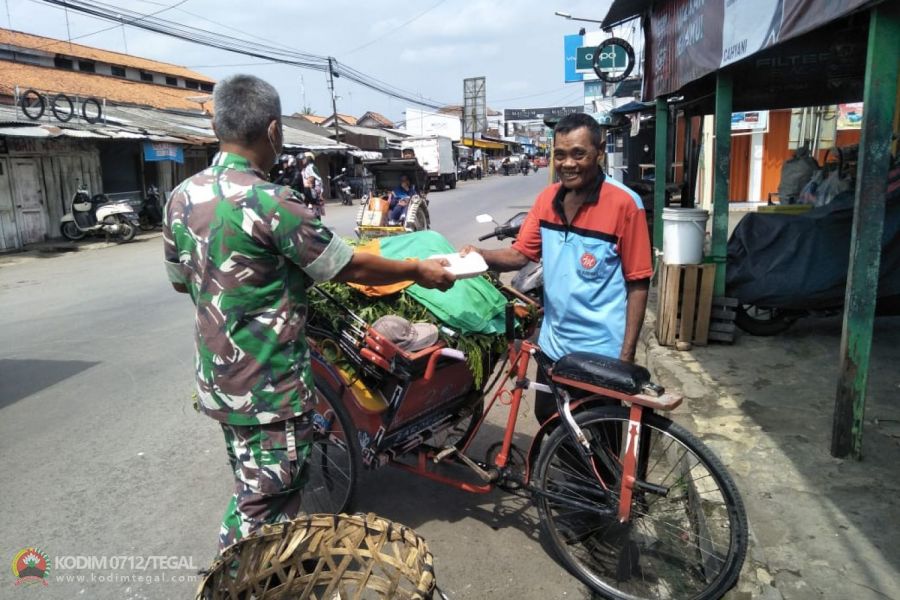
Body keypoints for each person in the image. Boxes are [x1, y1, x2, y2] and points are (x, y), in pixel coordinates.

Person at [162, 74, 455, 554]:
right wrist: (417, 269)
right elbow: (346, 265)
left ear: (216, 126)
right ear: (274, 131)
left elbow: (181, 280)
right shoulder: (272, 202)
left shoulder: (181, 197)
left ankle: (265, 572)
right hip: (268, 386)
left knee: (251, 481)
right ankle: (236, 577)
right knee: (265, 504)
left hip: (219, 380)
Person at [461, 112, 652, 424]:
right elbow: (520, 255)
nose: (568, 163)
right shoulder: (547, 199)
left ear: (599, 151)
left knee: (597, 434)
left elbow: (638, 282)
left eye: (578, 154)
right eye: (560, 155)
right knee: (549, 422)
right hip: (553, 346)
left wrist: (626, 356)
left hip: (601, 351)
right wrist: (479, 254)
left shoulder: (625, 204)